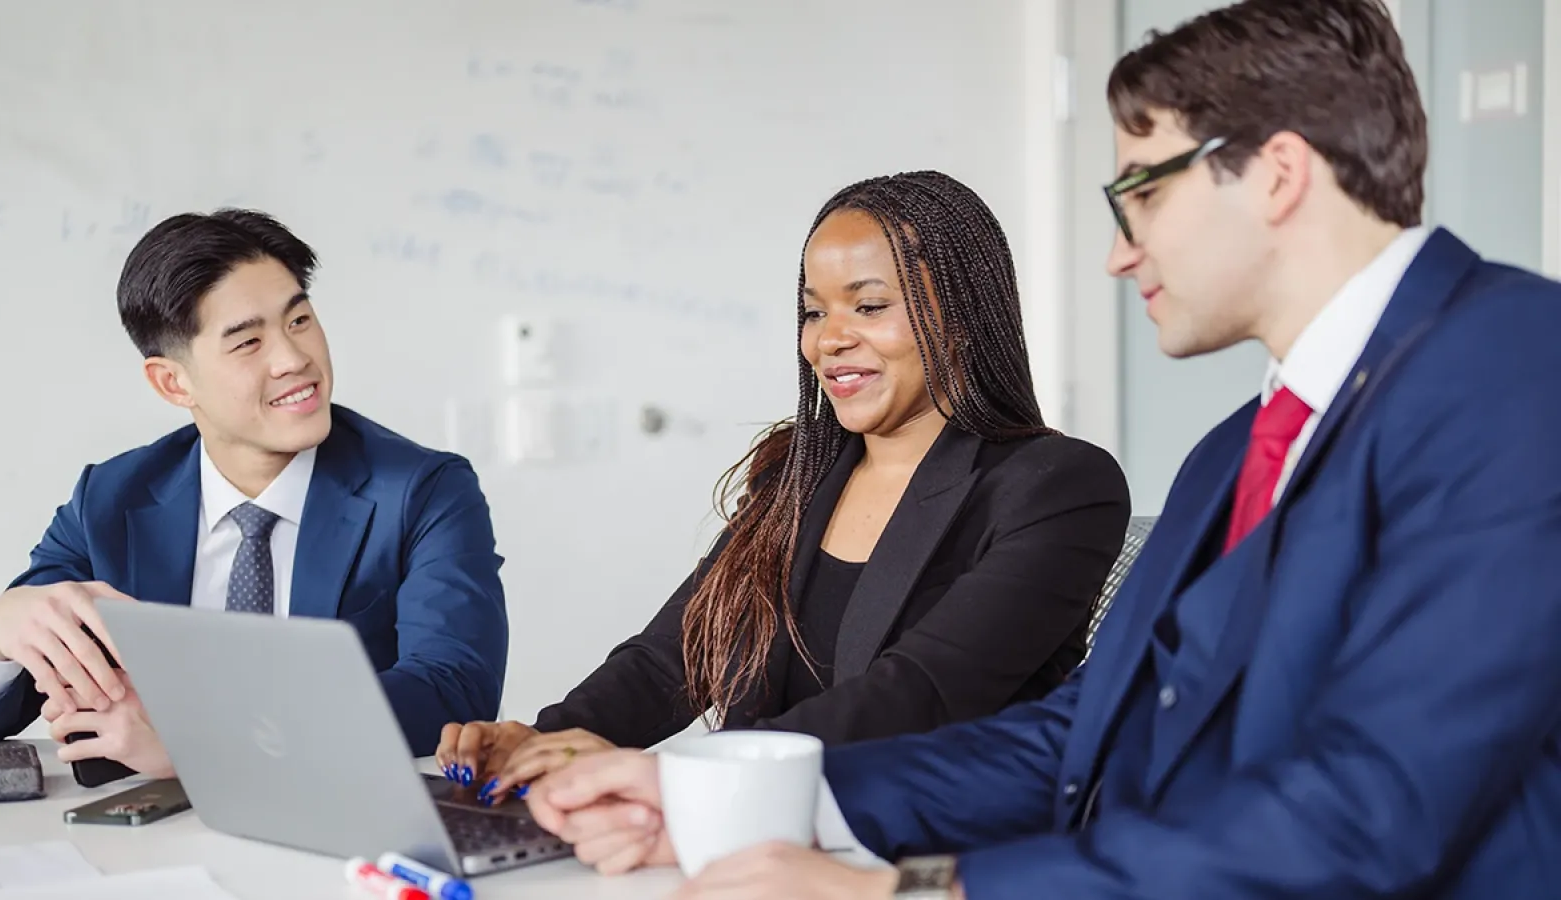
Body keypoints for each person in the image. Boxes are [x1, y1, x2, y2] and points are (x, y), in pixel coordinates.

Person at [514, 1, 1561, 897]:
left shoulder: (1515, 366)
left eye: (1140, 193)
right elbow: (1084, 735)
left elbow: (1371, 810)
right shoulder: (1232, 452)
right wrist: (714, 797)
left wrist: (919, 889)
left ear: (1277, 173)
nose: (1116, 252)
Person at [437, 172, 1131, 801]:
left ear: (961, 317)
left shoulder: (1057, 486)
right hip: (751, 834)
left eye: (868, 307)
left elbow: (919, 696)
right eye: (813, 311)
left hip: (916, 855)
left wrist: (680, 779)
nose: (828, 339)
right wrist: (545, 742)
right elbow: (674, 656)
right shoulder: (795, 470)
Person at [0, 209, 509, 771]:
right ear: (172, 382)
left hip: (338, 830)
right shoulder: (110, 499)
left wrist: (206, 742)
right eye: (248, 342)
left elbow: (453, 690)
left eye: (299, 321)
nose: (295, 360)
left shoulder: (423, 491)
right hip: (142, 840)